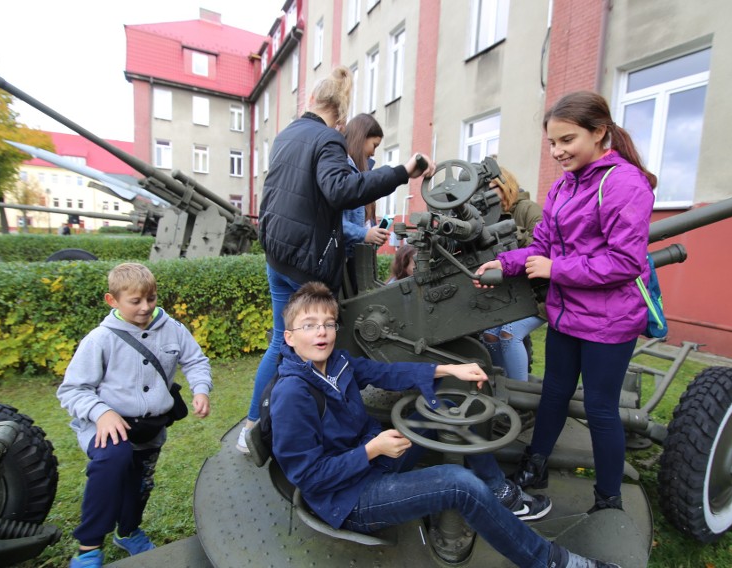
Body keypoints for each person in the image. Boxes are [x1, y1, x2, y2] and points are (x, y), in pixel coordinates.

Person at [269, 281, 619, 568]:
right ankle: (552, 562)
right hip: (348, 499)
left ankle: (497, 490)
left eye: (328, 324)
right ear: (289, 337)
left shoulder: (337, 363)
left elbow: (386, 372)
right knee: (459, 485)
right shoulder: (292, 395)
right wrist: (371, 450)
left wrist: (449, 370)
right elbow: (310, 477)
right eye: (310, 326)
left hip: (372, 462)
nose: (322, 334)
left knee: (450, 404)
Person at [236, 66, 436, 452]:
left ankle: (254, 425)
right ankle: (316, 426)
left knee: (283, 341)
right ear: (342, 115)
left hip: (277, 257)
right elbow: (341, 190)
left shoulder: (287, 135)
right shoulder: (328, 139)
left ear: (312, 100)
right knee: (321, 343)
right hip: (305, 264)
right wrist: (403, 171)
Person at [474, 91, 656, 513]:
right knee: (553, 394)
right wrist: (501, 263)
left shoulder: (624, 184)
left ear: (599, 133)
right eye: (552, 143)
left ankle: (608, 498)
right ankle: (534, 467)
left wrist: (557, 271)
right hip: (567, 313)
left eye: (567, 140)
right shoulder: (563, 187)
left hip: (610, 321)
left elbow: (625, 261)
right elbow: (541, 246)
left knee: (600, 409)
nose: (557, 151)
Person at [57, 263, 212, 568]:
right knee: (113, 461)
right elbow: (72, 389)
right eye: (136, 301)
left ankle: (127, 532)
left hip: (150, 429)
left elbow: (195, 361)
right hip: (107, 427)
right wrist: (101, 413)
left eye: (151, 299)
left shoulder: (173, 329)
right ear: (112, 300)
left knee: (139, 484)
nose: (146, 308)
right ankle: (88, 548)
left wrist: (201, 389)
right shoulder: (99, 340)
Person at [480, 167, 547, 381]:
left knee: (509, 333)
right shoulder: (490, 217)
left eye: (493, 188)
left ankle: (520, 389)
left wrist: (512, 234)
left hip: (542, 294)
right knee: (490, 333)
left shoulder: (527, 209)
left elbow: (544, 247)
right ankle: (503, 382)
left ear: (505, 185)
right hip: (513, 296)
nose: (488, 194)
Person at [342, 113, 391, 293]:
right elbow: (335, 223)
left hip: (357, 259)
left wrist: (374, 232)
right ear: (361, 139)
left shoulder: (360, 172)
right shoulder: (344, 171)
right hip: (345, 263)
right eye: (374, 145)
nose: (373, 152)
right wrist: (365, 234)